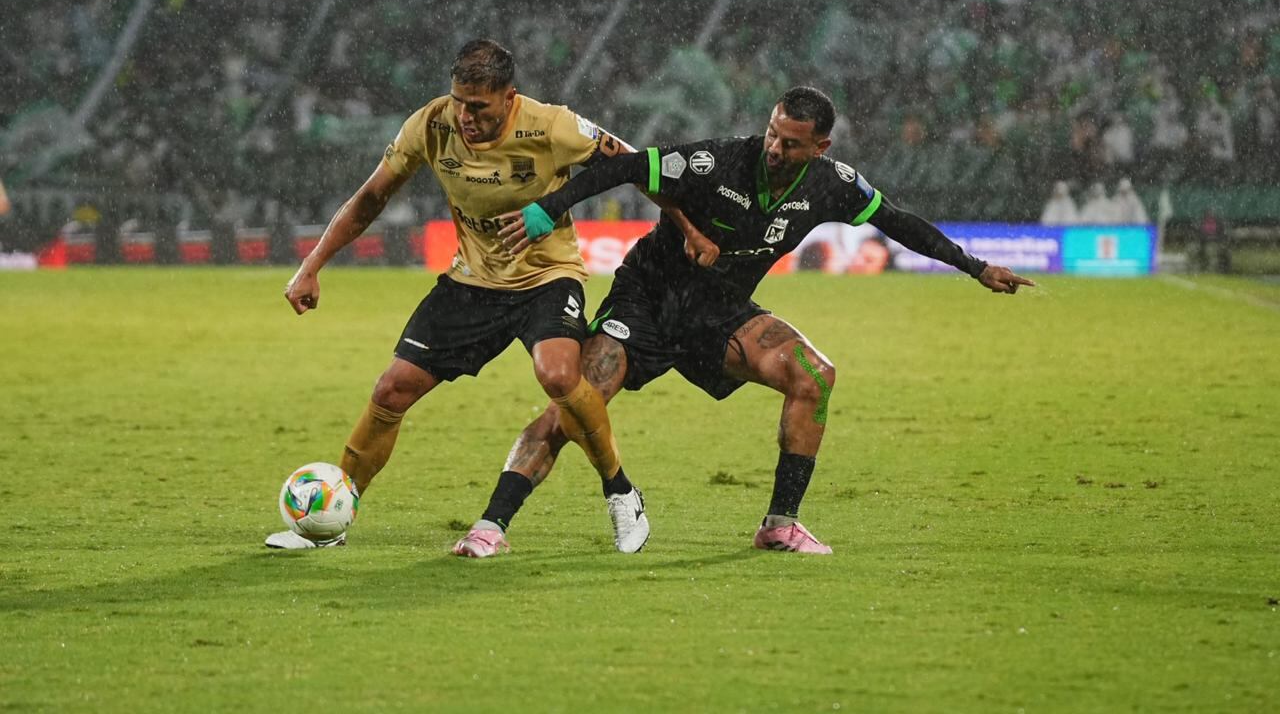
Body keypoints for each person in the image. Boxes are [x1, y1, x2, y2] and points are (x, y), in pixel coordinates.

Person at [454, 86, 1034, 556]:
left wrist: (975, 266)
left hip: (721, 316)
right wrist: (549, 207)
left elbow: (900, 222)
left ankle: (780, 523)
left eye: (791, 142)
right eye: (773, 133)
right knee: (578, 401)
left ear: (821, 146)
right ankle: (491, 526)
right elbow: (625, 167)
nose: (775, 148)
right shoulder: (716, 161)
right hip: (648, 303)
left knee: (815, 375)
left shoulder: (833, 185)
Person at [265, 39, 713, 551]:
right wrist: (312, 265)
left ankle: (619, 489)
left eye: (478, 106)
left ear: (508, 98)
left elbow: (638, 165)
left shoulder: (552, 126)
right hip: (473, 281)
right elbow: (371, 197)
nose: (464, 115)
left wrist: (688, 230)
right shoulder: (431, 124)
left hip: (547, 276)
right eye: (458, 100)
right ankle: (333, 518)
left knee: (560, 375)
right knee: (391, 390)